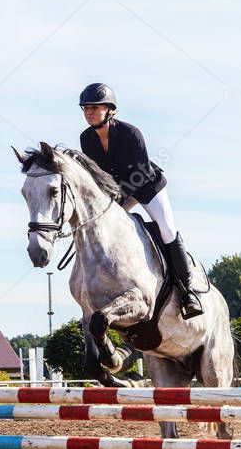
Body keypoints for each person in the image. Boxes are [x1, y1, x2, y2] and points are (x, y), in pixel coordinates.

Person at [78, 82, 203, 320]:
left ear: (110, 110)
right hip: (117, 192)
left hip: (147, 186)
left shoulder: (130, 133)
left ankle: (188, 292)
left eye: (94, 107)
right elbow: (96, 175)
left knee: (166, 229)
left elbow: (141, 174)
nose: (89, 112)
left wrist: (119, 198)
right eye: (85, 108)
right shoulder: (87, 139)